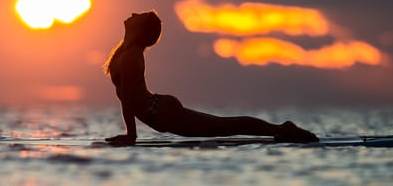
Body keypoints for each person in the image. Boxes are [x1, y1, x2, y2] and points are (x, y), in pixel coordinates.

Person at [103, 11, 319, 146]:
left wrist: (131, 136)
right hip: (159, 112)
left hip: (163, 112)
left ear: (140, 30)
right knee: (224, 126)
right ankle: (280, 128)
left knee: (225, 126)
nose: (132, 13)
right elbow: (125, 96)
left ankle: (282, 130)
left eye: (138, 15)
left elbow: (128, 98)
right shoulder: (126, 54)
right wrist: (130, 135)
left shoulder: (131, 56)